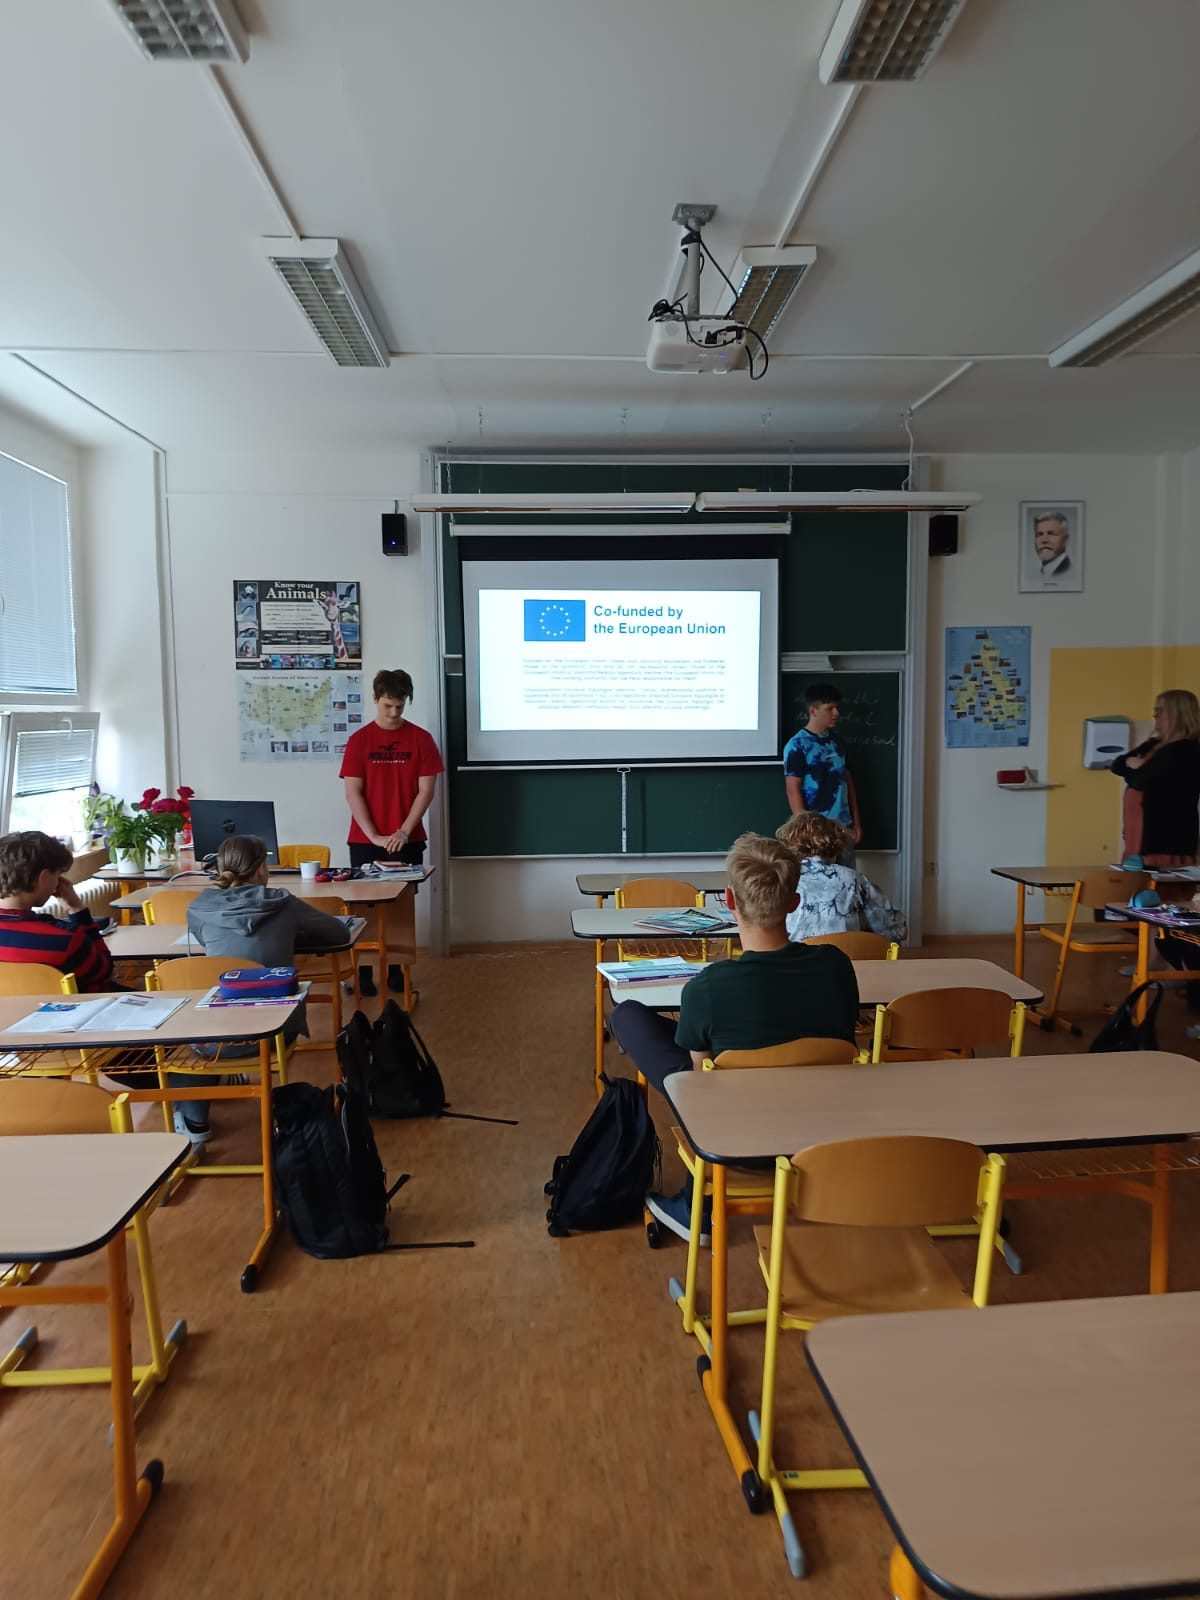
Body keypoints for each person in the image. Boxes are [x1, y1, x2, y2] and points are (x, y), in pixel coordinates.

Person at [609, 832, 860, 1242]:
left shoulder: (708, 988)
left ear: (729, 899)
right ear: (794, 902)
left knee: (629, 1016)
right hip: (820, 1134)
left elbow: (700, 1088)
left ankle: (697, 1204)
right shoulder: (836, 966)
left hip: (738, 1143)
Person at [178, 834, 351, 1145]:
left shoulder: (197, 908)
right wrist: (289, 936)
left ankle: (194, 1121)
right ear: (260, 869)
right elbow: (338, 932)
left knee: (177, 1035)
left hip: (214, 1040)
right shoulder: (282, 903)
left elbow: (224, 957)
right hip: (275, 1032)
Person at [339, 668, 445, 995]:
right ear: (375, 699)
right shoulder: (359, 741)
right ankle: (363, 975)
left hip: (407, 839)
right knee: (363, 909)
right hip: (365, 840)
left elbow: (425, 792)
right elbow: (353, 792)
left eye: (400, 706)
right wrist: (374, 836)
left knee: (400, 909)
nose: (394, 712)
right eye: (388, 706)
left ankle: (398, 973)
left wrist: (403, 831)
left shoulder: (421, 739)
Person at [0, 830, 114, 991]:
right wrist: (77, 909)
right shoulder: (65, 939)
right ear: (44, 877)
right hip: (72, 1006)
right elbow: (103, 971)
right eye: (58, 875)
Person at [775, 811, 906, 944]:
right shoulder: (854, 880)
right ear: (835, 844)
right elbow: (897, 931)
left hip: (799, 956)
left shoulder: (786, 880)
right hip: (846, 956)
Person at [1110, 689, 1200, 866]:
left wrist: (1136, 767)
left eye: (1160, 711)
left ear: (1177, 714)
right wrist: (1131, 762)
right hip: (1139, 832)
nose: (1154, 715)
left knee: (1155, 881)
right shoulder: (1154, 743)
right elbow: (1117, 765)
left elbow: (1139, 781)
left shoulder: (1185, 750)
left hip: (1164, 837)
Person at [782, 682, 861, 849]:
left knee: (845, 866)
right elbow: (792, 790)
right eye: (830, 709)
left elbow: (847, 782)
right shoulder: (797, 745)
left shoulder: (837, 742)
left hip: (843, 827)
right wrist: (806, 830)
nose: (836, 713)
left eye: (836, 708)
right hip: (816, 833)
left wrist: (856, 821)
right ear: (813, 711)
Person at [1032, 511, 1072, 580]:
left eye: (1051, 533)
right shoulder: (1041, 573)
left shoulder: (1070, 571)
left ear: (1066, 539)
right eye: (1039, 534)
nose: (1044, 540)